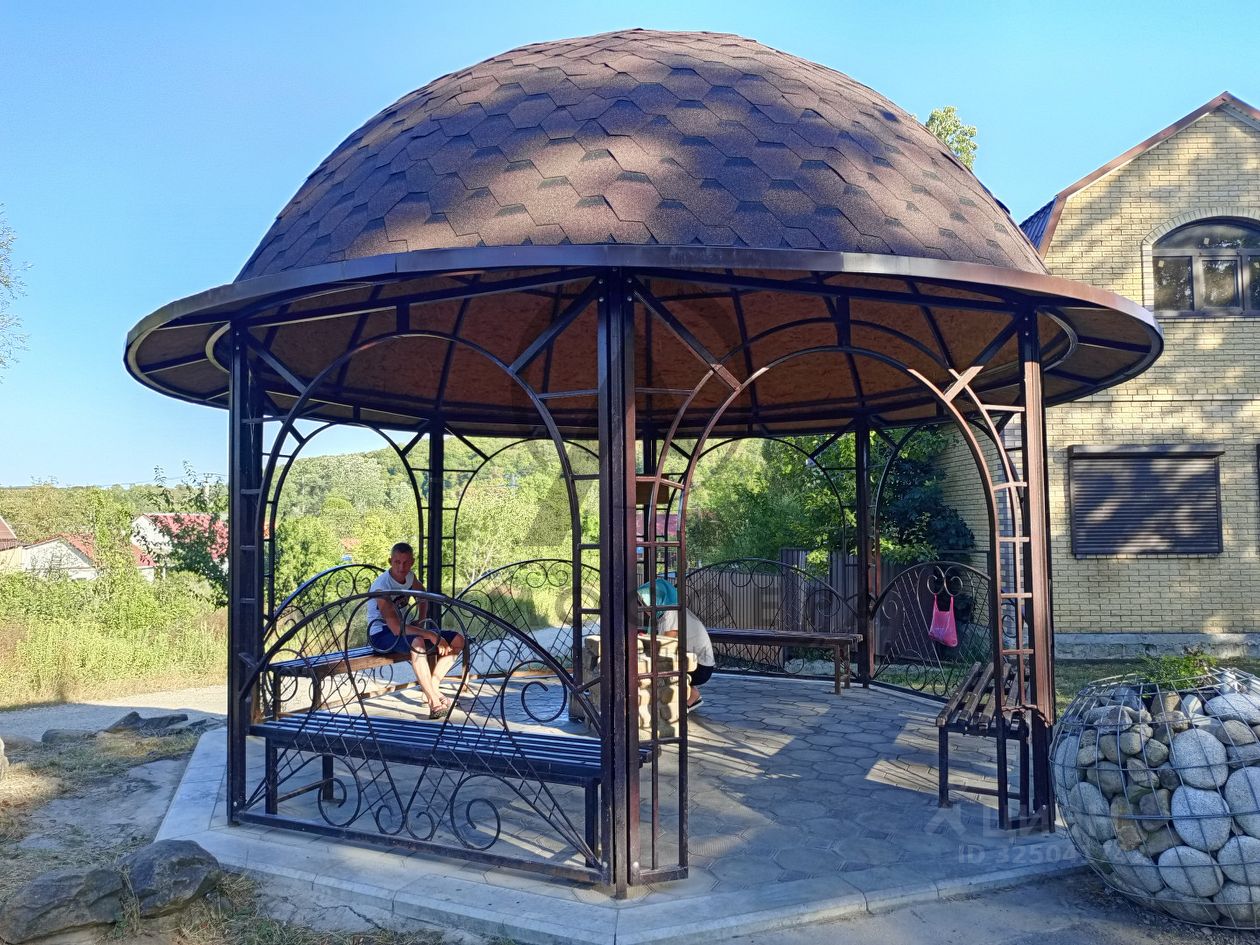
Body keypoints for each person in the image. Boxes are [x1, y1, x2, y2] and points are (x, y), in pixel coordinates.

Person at [367, 542, 465, 720]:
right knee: (418, 643)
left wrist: (421, 620)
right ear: (390, 561)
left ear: (412, 562)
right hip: (381, 634)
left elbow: (423, 595)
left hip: (404, 631)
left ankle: (432, 686)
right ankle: (434, 702)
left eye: (406, 562)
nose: (401, 567)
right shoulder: (382, 586)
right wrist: (429, 633)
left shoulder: (410, 577)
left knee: (458, 640)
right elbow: (395, 628)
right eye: (397, 562)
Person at [637, 578, 714, 712]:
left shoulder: (671, 612)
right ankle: (690, 695)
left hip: (700, 668)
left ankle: (688, 697)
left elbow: (666, 643)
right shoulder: (663, 614)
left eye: (645, 602)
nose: (644, 607)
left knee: (655, 667)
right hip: (694, 663)